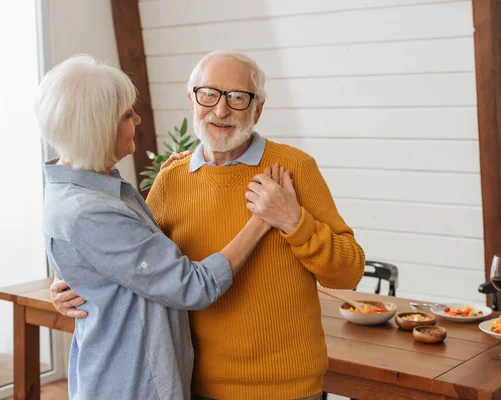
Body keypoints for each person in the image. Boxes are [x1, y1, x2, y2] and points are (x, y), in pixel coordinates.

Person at [53, 51, 366, 399]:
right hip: (190, 385)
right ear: (192, 100)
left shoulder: (295, 168)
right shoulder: (171, 178)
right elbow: (141, 261)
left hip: (285, 389)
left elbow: (348, 273)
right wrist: (73, 280)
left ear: (257, 109)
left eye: (237, 97)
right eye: (209, 94)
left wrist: (294, 221)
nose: (221, 110)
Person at [38, 54, 282, 400]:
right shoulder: (89, 211)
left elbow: (125, 254)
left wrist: (83, 278)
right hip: (134, 386)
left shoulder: (87, 188)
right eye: (126, 115)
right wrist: (261, 220)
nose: (137, 119)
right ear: (97, 128)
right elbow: (193, 286)